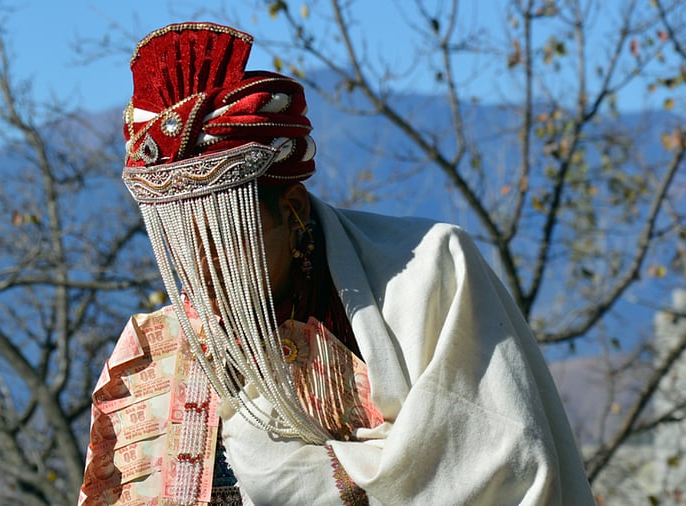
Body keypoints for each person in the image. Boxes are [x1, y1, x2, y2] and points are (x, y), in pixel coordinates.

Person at [79, 22, 595, 506]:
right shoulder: (159, 350)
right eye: (183, 247)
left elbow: (499, 465)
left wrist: (295, 473)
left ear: (294, 210)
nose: (203, 270)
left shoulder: (427, 274)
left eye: (228, 238)